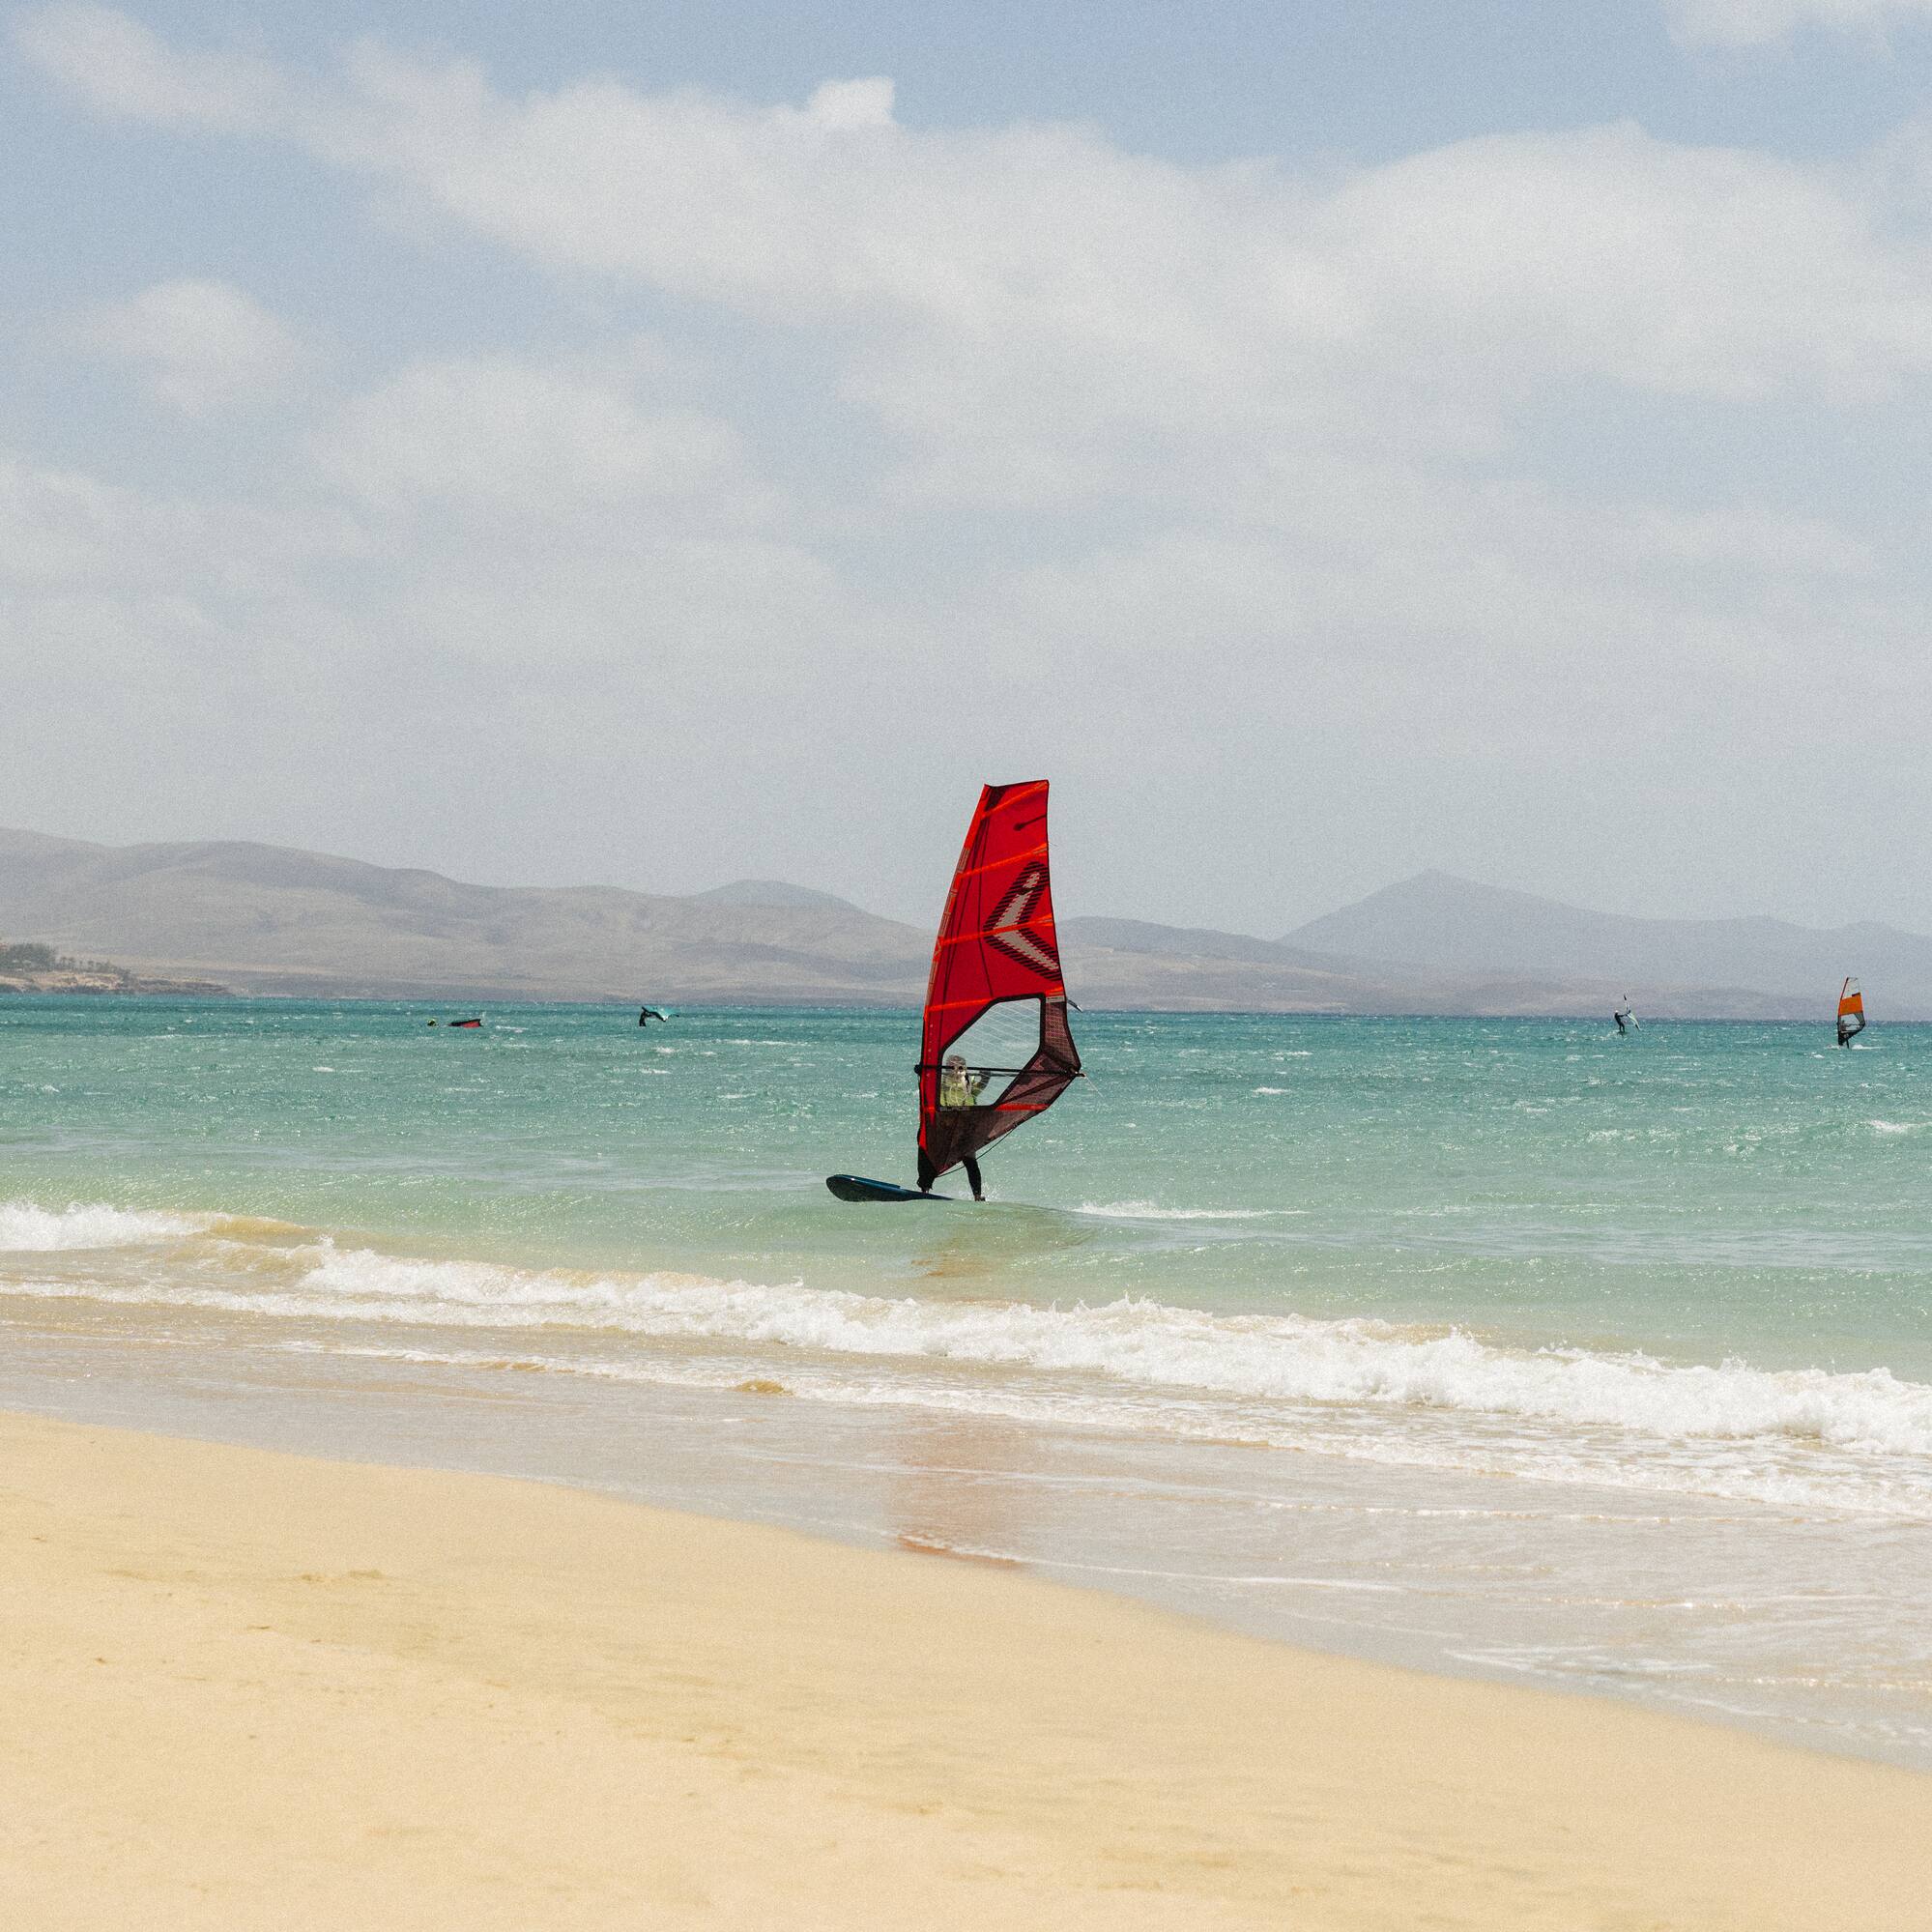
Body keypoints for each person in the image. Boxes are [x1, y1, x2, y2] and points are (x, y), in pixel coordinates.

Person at [919, 1053, 988, 1200]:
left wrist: (986, 1076)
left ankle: (977, 1195)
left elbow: (981, 1086)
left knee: (970, 1160)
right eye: (951, 1068)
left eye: (960, 1068)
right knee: (928, 1154)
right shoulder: (941, 1083)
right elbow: (927, 1088)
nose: (956, 1071)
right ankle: (924, 1190)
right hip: (945, 1128)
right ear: (946, 1069)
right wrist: (923, 1073)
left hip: (964, 1129)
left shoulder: (969, 1083)